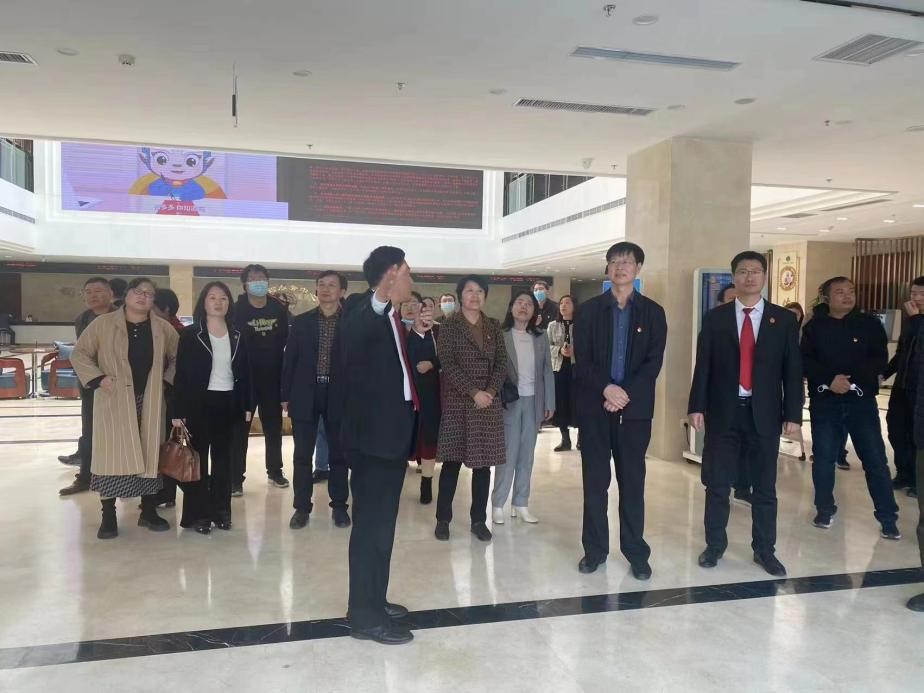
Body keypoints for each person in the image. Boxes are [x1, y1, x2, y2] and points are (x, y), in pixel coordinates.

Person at [688, 251, 802, 577]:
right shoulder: (716, 318)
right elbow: (704, 366)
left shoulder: (783, 319)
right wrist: (696, 406)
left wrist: (793, 413)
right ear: (733, 277)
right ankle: (714, 546)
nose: (749, 277)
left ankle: (765, 550)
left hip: (764, 414)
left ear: (764, 277)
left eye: (755, 271)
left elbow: (793, 371)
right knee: (717, 485)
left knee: (764, 488)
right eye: (742, 271)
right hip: (724, 412)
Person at [339, 246, 417, 645]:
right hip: (372, 444)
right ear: (391, 274)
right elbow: (358, 330)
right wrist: (381, 296)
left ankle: (374, 600)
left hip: (391, 440)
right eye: (407, 273)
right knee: (371, 530)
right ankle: (364, 617)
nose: (411, 281)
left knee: (383, 530)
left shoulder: (392, 317)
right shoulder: (362, 311)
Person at [574, 243, 667, 580]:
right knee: (595, 485)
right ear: (607, 268)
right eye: (614, 261)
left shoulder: (653, 312)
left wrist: (623, 393)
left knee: (632, 485)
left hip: (634, 412)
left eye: (627, 261)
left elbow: (653, 363)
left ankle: (636, 553)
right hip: (595, 409)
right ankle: (594, 550)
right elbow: (582, 359)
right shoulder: (589, 311)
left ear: (638, 267)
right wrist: (607, 388)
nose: (620, 267)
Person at [70, 277, 179, 539]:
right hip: (114, 399)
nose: (143, 296)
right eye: (138, 291)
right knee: (111, 456)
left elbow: (179, 356)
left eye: (149, 294)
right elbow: (80, 353)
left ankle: (148, 510)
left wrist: (166, 380)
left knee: (149, 454)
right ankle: (108, 515)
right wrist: (99, 379)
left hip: (149, 399)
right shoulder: (103, 324)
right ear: (126, 295)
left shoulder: (162, 328)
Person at [801, 276, 901, 538]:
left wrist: (849, 381)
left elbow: (879, 358)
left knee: (875, 459)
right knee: (824, 458)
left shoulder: (870, 324)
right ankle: (824, 509)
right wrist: (830, 379)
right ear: (826, 298)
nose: (847, 296)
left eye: (851, 291)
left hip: (861, 401)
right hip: (825, 401)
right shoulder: (815, 327)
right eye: (840, 292)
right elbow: (805, 360)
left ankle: (888, 516)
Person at [172, 282, 254, 534]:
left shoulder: (238, 334)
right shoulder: (191, 334)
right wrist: (178, 411)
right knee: (198, 461)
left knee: (224, 461)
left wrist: (247, 404)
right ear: (204, 303)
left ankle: (221, 512)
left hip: (229, 402)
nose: (218, 302)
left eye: (223, 298)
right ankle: (198, 515)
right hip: (200, 403)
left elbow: (247, 372)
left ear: (229, 303)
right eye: (212, 298)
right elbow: (181, 374)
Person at [435, 275, 507, 543]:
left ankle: (478, 520)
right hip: (459, 402)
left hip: (488, 403)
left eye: (479, 291)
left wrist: (490, 392)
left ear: (485, 296)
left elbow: (502, 363)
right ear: (460, 295)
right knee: (451, 464)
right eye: (469, 291)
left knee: (483, 466)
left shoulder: (494, 326)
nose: (474, 296)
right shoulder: (449, 325)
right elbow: (447, 363)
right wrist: (473, 391)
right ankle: (443, 519)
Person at [281, 270, 350, 530]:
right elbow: (290, 360)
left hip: (339, 395)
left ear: (342, 291)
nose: (325, 289)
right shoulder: (301, 322)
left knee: (339, 455)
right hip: (305, 394)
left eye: (332, 285)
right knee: (302, 455)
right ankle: (301, 507)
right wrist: (285, 395)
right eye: (321, 284)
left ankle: (340, 506)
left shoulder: (351, 322)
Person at [492, 290, 554, 524]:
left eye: (529, 304)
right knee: (507, 454)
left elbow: (547, 370)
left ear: (534, 310)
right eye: (519, 302)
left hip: (533, 401)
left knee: (527, 456)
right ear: (511, 307)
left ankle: (520, 503)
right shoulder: (501, 336)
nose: (524, 307)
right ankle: (498, 504)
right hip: (510, 402)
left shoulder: (540, 336)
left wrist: (550, 402)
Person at [231, 264, 290, 494]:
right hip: (244, 379)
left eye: (261, 277)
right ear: (245, 284)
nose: (257, 281)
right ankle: (236, 478)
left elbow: (286, 339)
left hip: (272, 378)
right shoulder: (236, 309)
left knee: (273, 428)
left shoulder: (278, 308)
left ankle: (275, 471)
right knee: (240, 430)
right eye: (252, 278)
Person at [58, 277, 115, 496]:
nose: (92, 295)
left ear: (110, 294)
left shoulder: (122, 316)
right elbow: (83, 353)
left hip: (117, 385)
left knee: (119, 432)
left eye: (98, 291)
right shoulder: (82, 319)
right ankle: (85, 477)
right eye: (88, 292)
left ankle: (123, 479)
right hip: (91, 385)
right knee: (89, 432)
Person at [884, 276, 924, 498]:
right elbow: (901, 353)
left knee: (918, 435)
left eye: (922, 294)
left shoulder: (915, 320)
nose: (916, 298)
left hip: (920, 390)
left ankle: (919, 480)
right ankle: (904, 473)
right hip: (903, 386)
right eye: (913, 293)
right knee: (897, 428)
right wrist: (884, 373)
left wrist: (917, 319)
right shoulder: (911, 321)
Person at [151, 288, 185, 508]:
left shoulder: (178, 333)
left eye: (153, 307)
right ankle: (160, 491)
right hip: (156, 395)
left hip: (171, 396)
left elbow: (178, 367)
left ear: (165, 309)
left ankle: (166, 492)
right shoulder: (152, 329)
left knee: (169, 444)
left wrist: (163, 383)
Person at [407, 296, 441, 503]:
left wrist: (432, 364)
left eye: (428, 306)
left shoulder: (439, 331)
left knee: (428, 439)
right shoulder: (401, 330)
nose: (422, 310)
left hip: (430, 393)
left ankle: (426, 483)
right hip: (403, 396)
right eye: (411, 304)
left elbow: (449, 355)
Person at [547, 295, 578, 452]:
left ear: (574, 306)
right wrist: (559, 350)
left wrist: (575, 351)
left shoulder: (582, 324)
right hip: (559, 369)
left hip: (577, 369)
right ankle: (565, 439)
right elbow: (546, 346)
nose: (563, 306)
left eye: (567, 303)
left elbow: (588, 345)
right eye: (561, 303)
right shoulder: (552, 325)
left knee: (578, 402)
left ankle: (582, 439)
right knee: (561, 403)